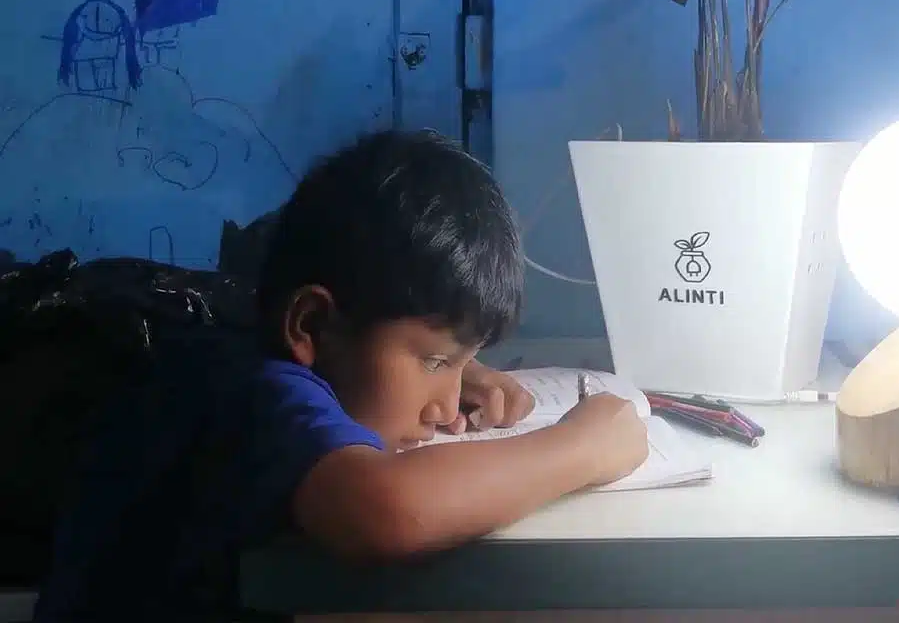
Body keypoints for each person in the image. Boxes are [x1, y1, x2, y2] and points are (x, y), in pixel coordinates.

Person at [34, 129, 649, 621]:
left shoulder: (260, 349)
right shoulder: (264, 395)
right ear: (310, 325)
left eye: (460, 362)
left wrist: (455, 368)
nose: (443, 409)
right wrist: (584, 447)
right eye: (434, 360)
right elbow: (385, 512)